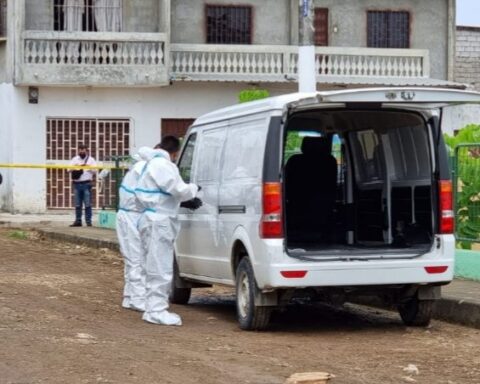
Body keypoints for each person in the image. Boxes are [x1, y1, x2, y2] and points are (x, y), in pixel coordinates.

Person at [135, 136, 202, 326]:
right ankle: (156, 310)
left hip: (151, 218)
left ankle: (152, 308)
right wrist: (193, 188)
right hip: (159, 220)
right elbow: (178, 189)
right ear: (176, 153)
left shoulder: (151, 164)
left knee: (153, 264)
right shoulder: (163, 165)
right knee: (160, 266)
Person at [116, 147, 154, 312]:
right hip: (132, 216)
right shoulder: (142, 169)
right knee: (137, 259)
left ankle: (129, 296)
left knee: (131, 259)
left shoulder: (134, 170)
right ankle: (138, 299)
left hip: (127, 216)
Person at [69, 144, 97, 227]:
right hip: (77, 184)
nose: (81, 152)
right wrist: (77, 167)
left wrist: (87, 167)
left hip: (86, 184)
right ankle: (78, 221)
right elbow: (68, 169)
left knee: (88, 204)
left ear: (86, 151)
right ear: (78, 151)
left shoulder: (91, 160)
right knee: (78, 204)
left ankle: (88, 221)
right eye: (80, 150)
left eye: (83, 150)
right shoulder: (75, 159)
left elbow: (95, 170)